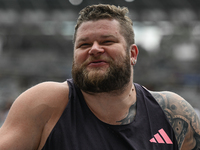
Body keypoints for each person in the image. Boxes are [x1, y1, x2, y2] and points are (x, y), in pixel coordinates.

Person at [0, 4, 200, 150]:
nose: (94, 49)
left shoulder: (172, 113)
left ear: (132, 54)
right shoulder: (46, 102)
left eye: (107, 41)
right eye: (84, 45)